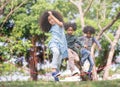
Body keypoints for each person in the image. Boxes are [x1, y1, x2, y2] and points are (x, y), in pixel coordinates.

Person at [39, 10, 68, 81]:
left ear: (56, 18)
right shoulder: (51, 28)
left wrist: (51, 15)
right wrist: (51, 16)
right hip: (53, 43)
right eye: (49, 20)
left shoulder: (60, 25)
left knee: (58, 63)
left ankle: (56, 78)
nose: (51, 20)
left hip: (61, 46)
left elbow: (59, 23)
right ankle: (53, 69)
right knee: (56, 52)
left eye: (52, 18)